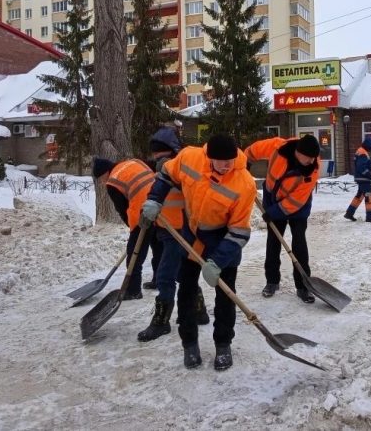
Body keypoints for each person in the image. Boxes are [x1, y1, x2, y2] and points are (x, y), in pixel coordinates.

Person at [141, 135, 257, 371]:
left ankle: (223, 344)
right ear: (208, 157)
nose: (227, 166)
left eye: (230, 161)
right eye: (221, 161)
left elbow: (239, 231)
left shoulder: (244, 183)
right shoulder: (190, 158)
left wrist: (217, 261)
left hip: (223, 239)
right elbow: (165, 174)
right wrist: (154, 200)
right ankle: (189, 344)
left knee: (226, 296)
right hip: (192, 237)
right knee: (187, 291)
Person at [137, 127, 211, 342]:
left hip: (180, 229)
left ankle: (161, 323)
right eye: (155, 156)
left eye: (161, 155)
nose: (157, 160)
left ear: (172, 152)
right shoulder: (166, 169)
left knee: (165, 276)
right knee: (182, 274)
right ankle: (199, 311)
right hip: (166, 228)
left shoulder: (183, 168)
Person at [244, 134, 321, 303]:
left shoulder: (313, 169)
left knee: (299, 242)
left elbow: (296, 200)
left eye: (313, 158)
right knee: (273, 240)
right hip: (273, 199)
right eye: (307, 157)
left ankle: (303, 286)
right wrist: (246, 162)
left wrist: (274, 212)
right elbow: (254, 150)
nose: (311, 161)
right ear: (297, 152)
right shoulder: (279, 147)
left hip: (297, 207)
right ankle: (272, 281)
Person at [93, 156, 158, 301]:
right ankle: (158, 280)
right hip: (159, 204)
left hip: (142, 213)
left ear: (105, 172)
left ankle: (133, 290)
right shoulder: (132, 162)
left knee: (134, 252)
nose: (103, 182)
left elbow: (122, 209)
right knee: (157, 244)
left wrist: (133, 229)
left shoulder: (113, 182)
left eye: (101, 178)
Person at [344, 136, 371, 223]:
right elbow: (361, 167)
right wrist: (370, 175)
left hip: (360, 178)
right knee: (370, 196)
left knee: (359, 196)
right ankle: (370, 217)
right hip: (364, 179)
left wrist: (370, 161)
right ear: (368, 145)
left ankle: (349, 213)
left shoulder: (361, 151)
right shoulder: (363, 153)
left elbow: (361, 163)